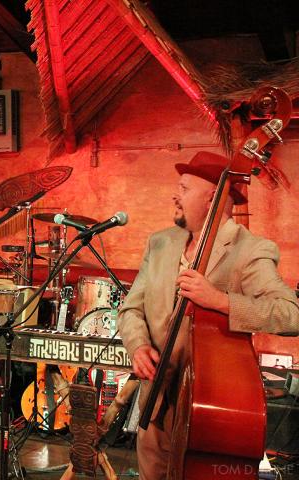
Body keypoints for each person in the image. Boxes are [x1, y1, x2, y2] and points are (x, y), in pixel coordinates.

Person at [117, 151, 299, 479]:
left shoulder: (250, 250)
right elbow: (132, 308)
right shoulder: (160, 243)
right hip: (155, 402)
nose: (175, 195)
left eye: (184, 188)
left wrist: (220, 300)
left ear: (212, 197)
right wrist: (138, 346)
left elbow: (290, 315)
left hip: (211, 407)